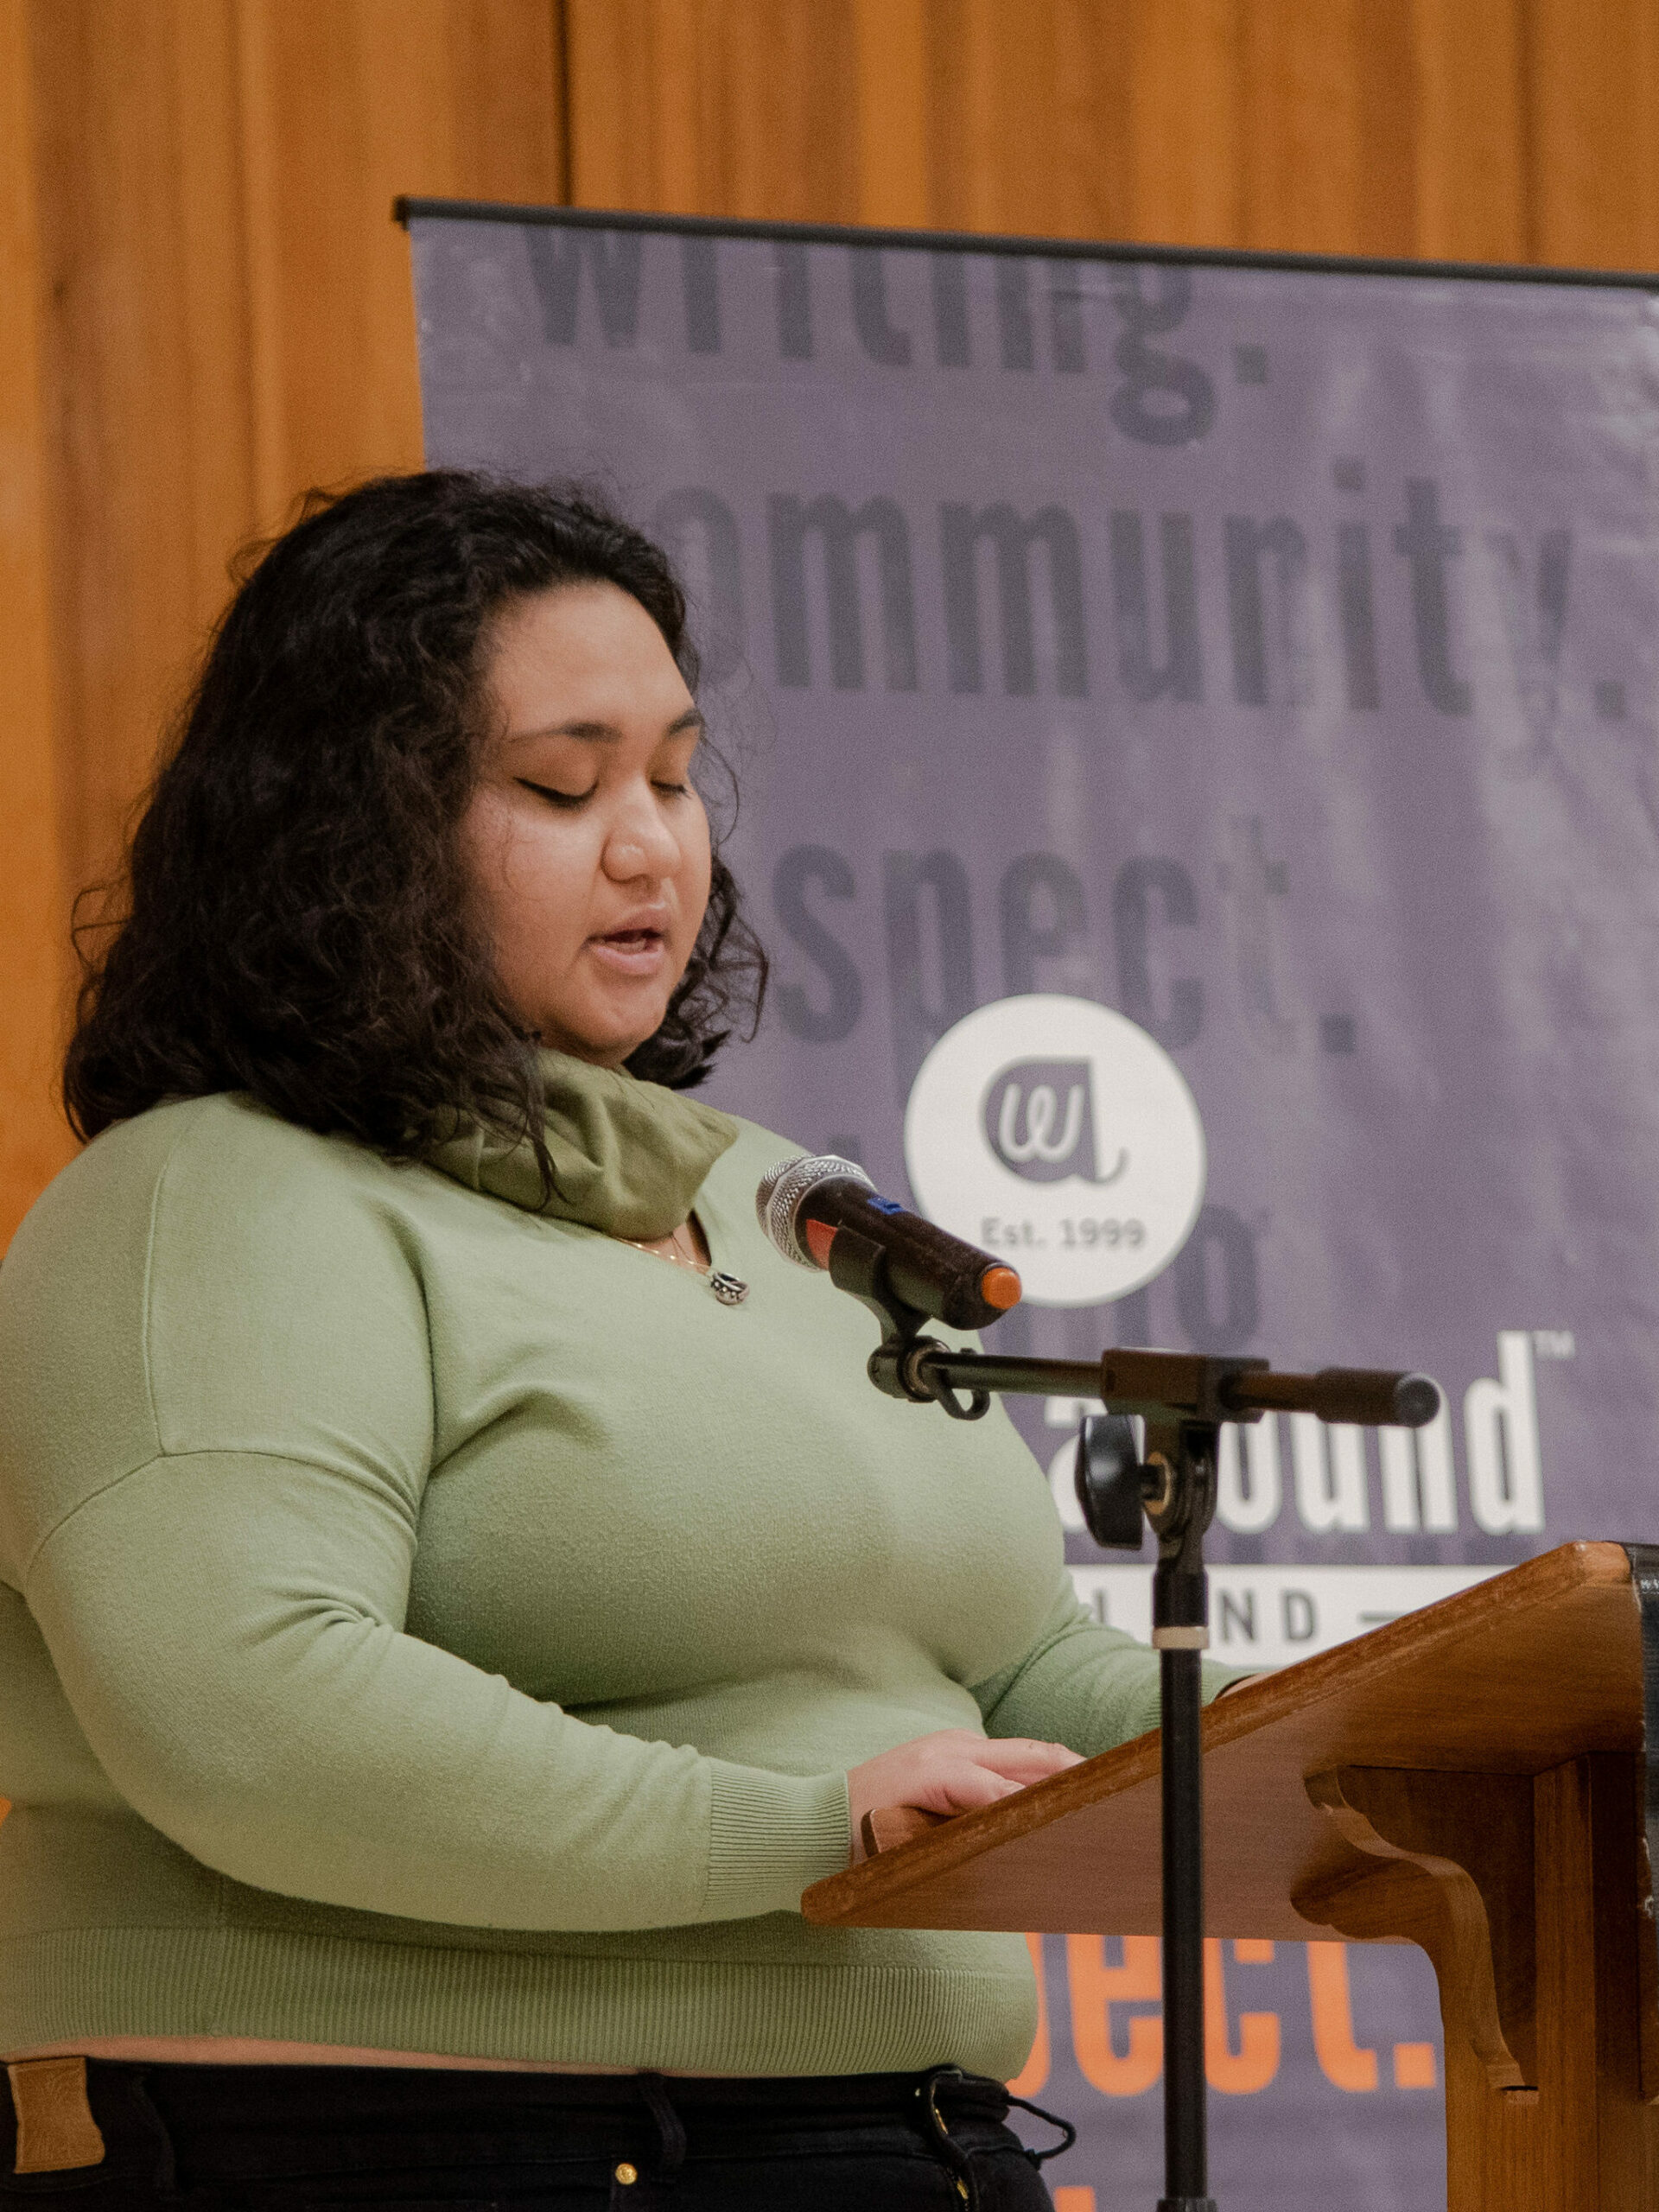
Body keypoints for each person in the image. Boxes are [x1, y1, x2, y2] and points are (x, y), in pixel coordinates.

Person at [0, 474, 1243, 2209]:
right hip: (399, 2153)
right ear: (351, 829)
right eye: (560, 784)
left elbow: (1018, 1666)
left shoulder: (775, 1200)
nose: (653, 841)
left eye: (671, 773)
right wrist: (805, 1825)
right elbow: (248, 1704)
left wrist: (1348, 1731)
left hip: (909, 2144)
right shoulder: (209, 1197)